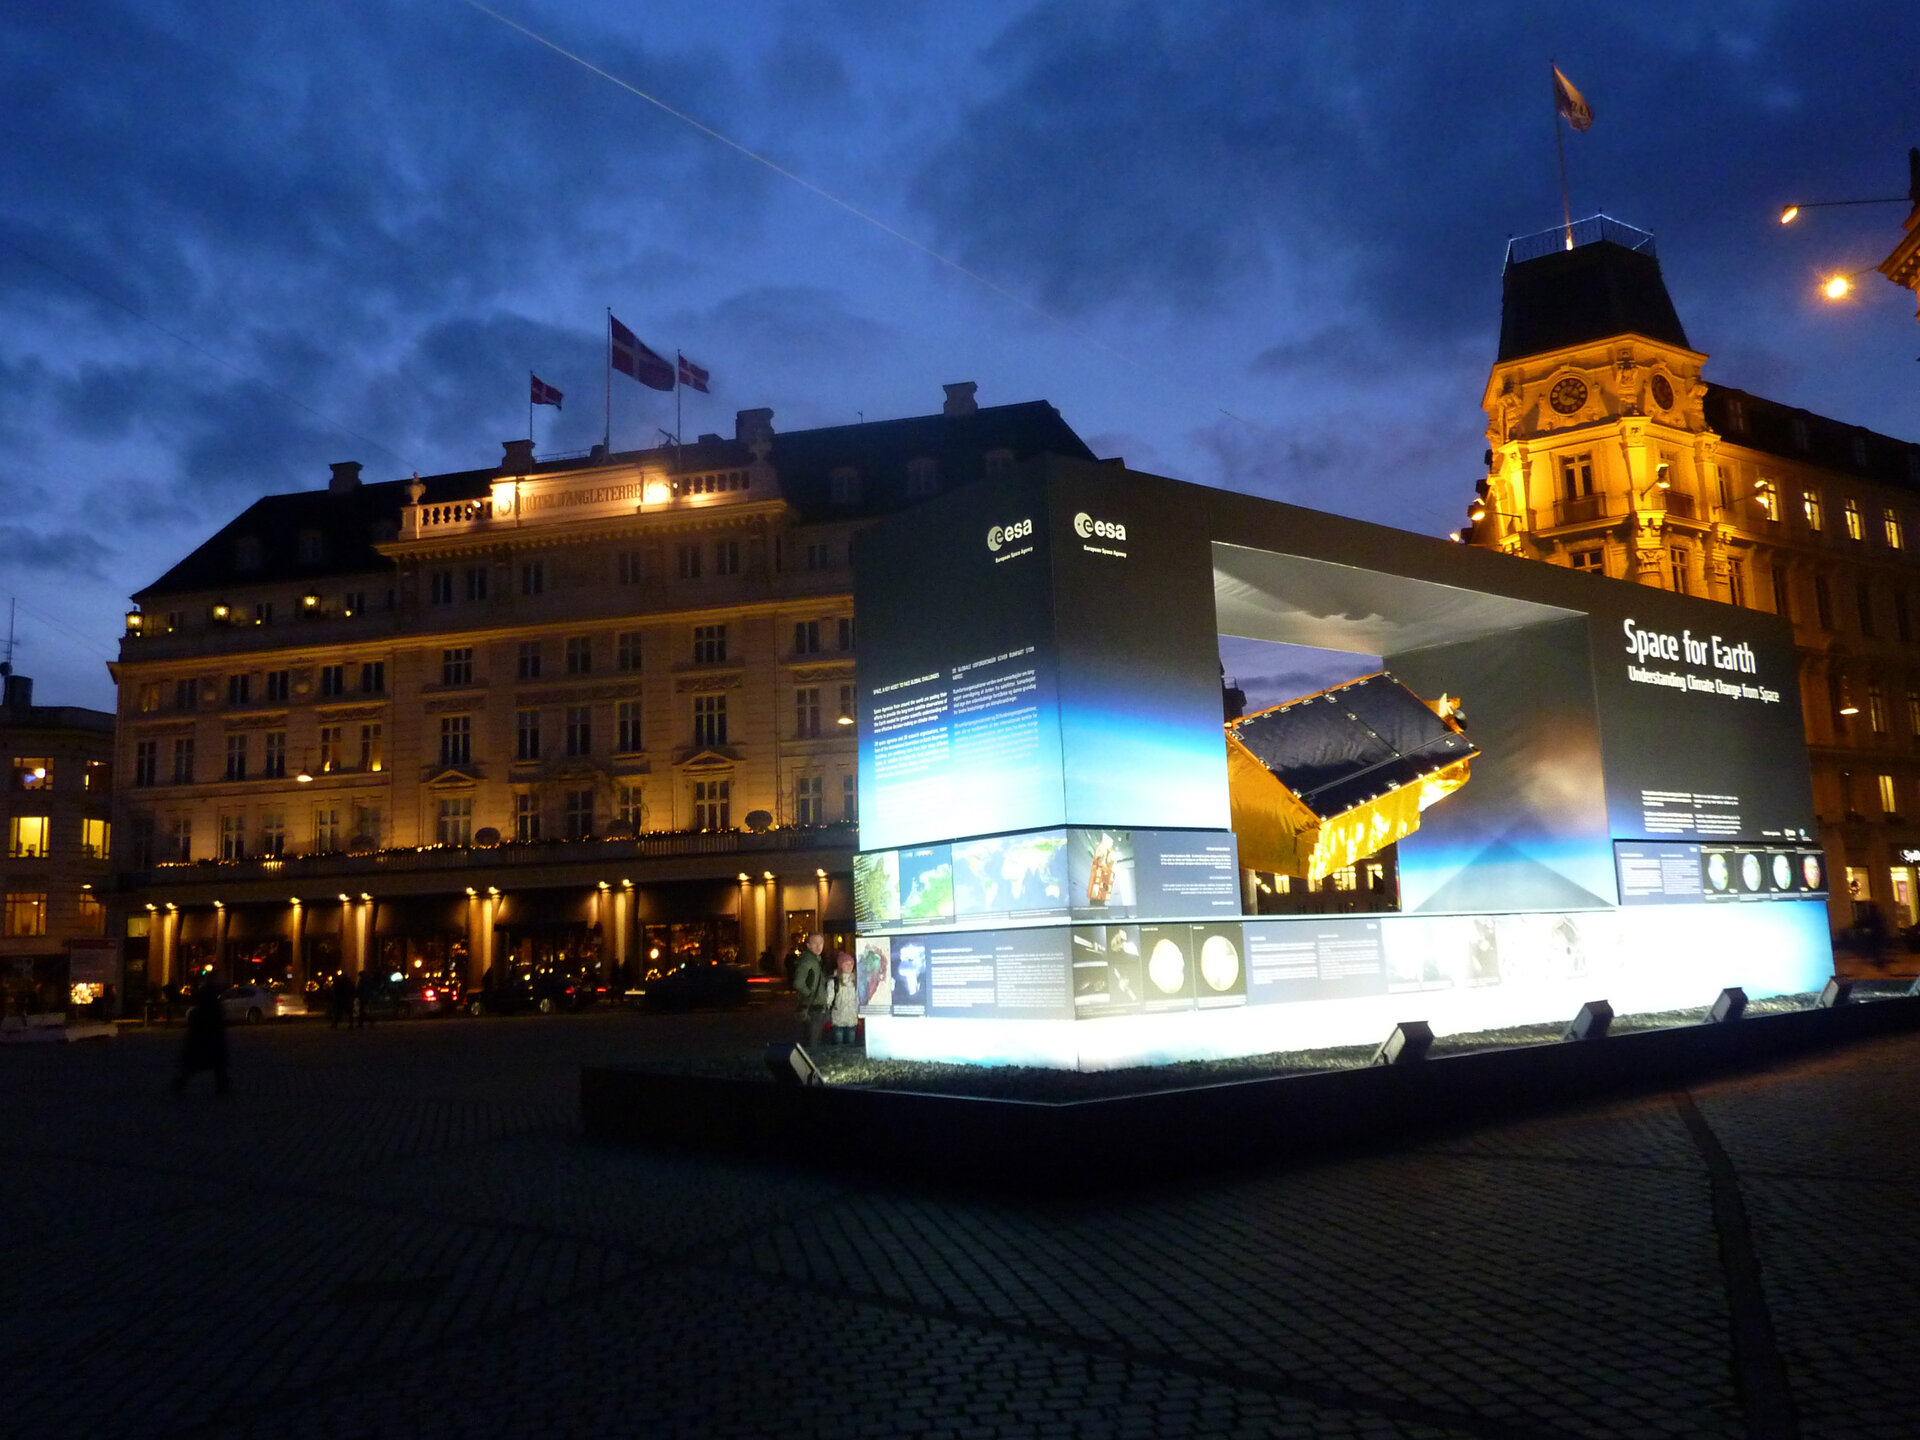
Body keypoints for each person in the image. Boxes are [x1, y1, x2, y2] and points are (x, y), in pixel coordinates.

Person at [170, 981, 230, 1096]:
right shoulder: (214, 1006)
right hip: (211, 1042)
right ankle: (222, 1088)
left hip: (201, 1042)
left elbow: (197, 1022)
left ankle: (178, 1085)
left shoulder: (203, 1007)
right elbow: (218, 1023)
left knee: (193, 1067)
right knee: (217, 1067)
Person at [792, 932, 828, 1049]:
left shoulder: (815, 960)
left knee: (813, 1038)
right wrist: (810, 994)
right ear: (808, 945)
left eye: (821, 943)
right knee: (813, 1041)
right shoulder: (809, 961)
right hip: (813, 1005)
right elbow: (798, 983)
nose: (819, 946)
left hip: (815, 1004)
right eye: (815, 943)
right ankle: (811, 1064)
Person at [825, 949, 861, 1046]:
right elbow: (828, 1000)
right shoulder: (834, 982)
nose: (849, 966)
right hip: (838, 1021)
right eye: (846, 964)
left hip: (852, 1020)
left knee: (850, 1046)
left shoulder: (856, 981)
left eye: (851, 963)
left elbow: (859, 999)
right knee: (838, 1046)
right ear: (840, 965)